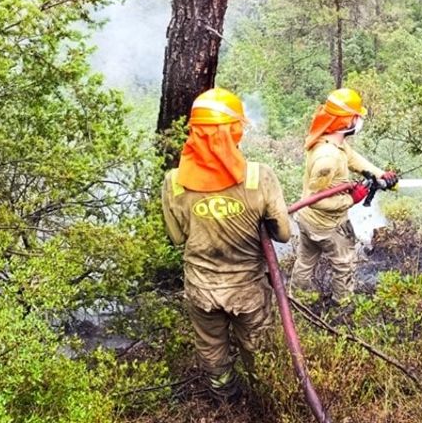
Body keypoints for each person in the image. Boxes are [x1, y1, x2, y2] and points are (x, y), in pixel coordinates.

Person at [161, 87, 292, 403]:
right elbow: (283, 234)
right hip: (247, 290)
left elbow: (177, 238)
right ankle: (264, 397)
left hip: (201, 289)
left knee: (211, 346)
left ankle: (225, 397)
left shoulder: (173, 181)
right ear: (234, 131)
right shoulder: (259, 177)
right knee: (259, 347)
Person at [290, 88, 397, 306]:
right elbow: (316, 198)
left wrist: (379, 174)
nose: (359, 121)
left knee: (305, 260)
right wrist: (351, 199)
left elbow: (352, 157)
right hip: (326, 226)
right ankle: (343, 303)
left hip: (306, 220)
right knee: (345, 262)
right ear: (346, 120)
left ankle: (297, 298)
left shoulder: (330, 141)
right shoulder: (327, 158)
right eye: (356, 116)